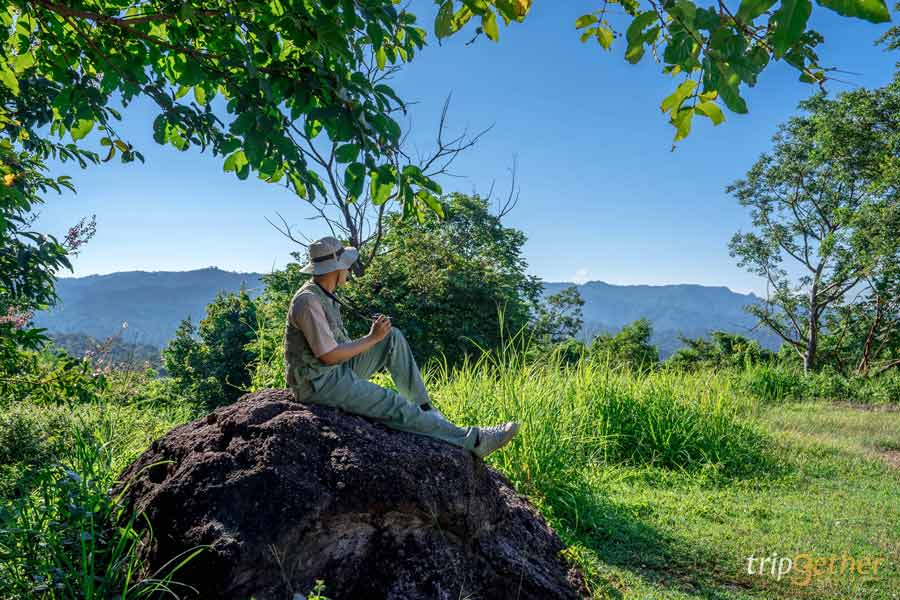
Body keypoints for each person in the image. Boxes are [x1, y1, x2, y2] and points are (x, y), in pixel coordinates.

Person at [283, 236, 519, 458]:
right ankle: (474, 441)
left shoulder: (325, 294)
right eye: (346, 265)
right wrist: (371, 338)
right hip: (319, 384)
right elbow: (328, 356)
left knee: (391, 337)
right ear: (334, 269)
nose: (349, 269)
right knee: (393, 403)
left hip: (335, 371)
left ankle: (425, 409)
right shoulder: (308, 301)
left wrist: (379, 336)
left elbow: (335, 349)